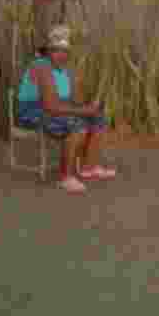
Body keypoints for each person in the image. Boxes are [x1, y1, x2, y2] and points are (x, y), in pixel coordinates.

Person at [16, 24, 117, 194]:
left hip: (57, 108)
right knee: (76, 123)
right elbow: (51, 107)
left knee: (99, 118)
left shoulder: (65, 71)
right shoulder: (41, 66)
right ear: (48, 51)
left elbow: (73, 100)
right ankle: (66, 177)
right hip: (33, 111)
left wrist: (91, 106)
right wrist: (83, 111)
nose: (61, 54)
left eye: (64, 51)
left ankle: (89, 167)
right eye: (56, 50)